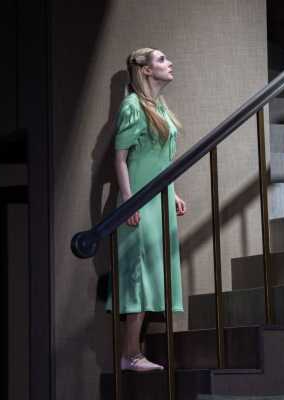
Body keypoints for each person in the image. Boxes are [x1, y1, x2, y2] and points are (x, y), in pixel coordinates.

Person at [105, 47, 187, 372]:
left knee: (153, 273)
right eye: (162, 59)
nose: (170, 63)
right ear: (146, 70)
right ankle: (130, 354)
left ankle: (136, 352)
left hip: (159, 200)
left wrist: (174, 192)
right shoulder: (132, 106)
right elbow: (120, 159)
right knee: (137, 274)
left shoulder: (160, 108)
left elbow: (162, 161)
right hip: (137, 201)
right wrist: (127, 201)